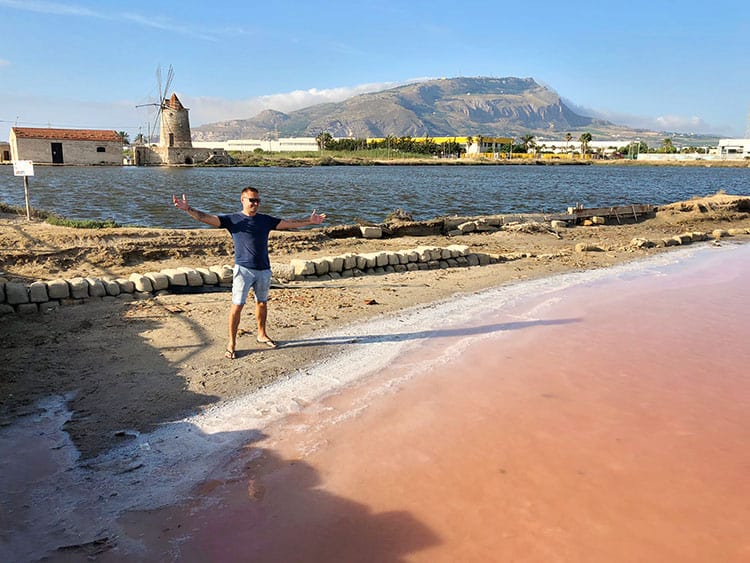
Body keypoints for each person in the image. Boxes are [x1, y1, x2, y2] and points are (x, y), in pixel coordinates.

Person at [173, 187, 326, 359]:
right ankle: (231, 343)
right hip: (243, 270)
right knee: (237, 306)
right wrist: (188, 209)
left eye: (257, 201)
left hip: (264, 270)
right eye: (251, 200)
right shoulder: (233, 220)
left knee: (262, 303)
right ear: (242, 200)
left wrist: (309, 221)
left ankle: (261, 334)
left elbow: (288, 223)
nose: (255, 203)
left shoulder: (265, 220)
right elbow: (207, 218)